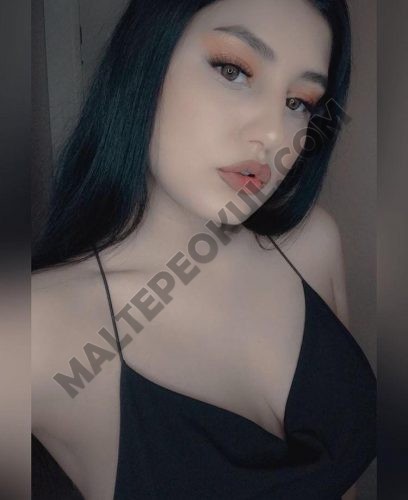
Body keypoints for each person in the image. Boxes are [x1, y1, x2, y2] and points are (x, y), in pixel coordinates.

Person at [32, 0, 376, 498]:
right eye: (233, 71)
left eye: (299, 102)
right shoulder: (35, 330)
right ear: (145, 60)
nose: (274, 134)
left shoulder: (313, 245)